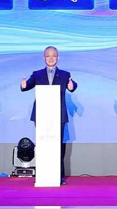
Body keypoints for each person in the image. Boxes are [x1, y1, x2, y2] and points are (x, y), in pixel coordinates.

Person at [20, 46, 78, 182]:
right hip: (42, 115)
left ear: (58, 58)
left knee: (58, 146)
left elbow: (72, 85)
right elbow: (27, 85)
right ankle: (43, 174)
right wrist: (23, 85)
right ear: (44, 58)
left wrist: (72, 86)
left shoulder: (65, 74)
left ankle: (59, 176)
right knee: (43, 144)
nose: (51, 58)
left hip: (58, 115)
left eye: (53, 56)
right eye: (48, 56)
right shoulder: (37, 74)